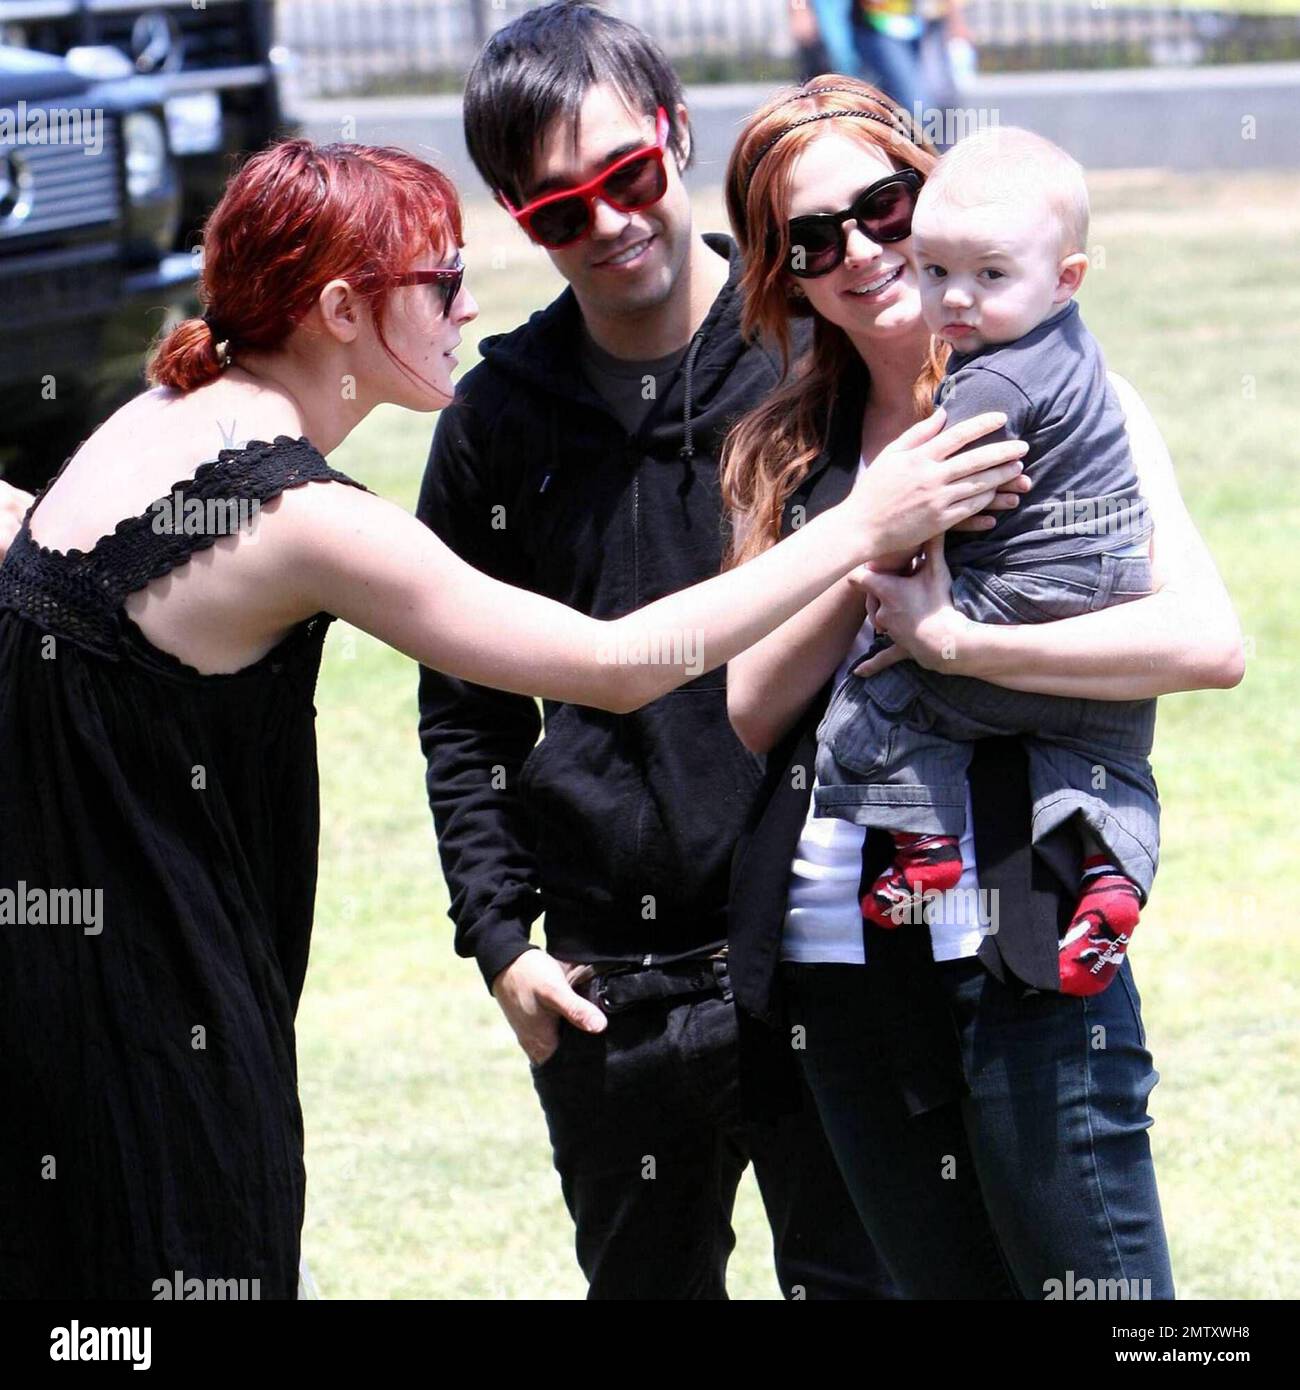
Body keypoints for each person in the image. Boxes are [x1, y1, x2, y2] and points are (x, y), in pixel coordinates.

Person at [0, 135, 1023, 1299]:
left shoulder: (145, 428)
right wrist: (860, 526)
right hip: (155, 1023)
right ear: (340, 306)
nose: (469, 303)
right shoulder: (301, 513)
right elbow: (617, 661)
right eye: (437, 281)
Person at [414, 2, 1018, 1301]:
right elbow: (463, 715)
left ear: (678, 135)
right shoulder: (493, 424)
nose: (613, 222)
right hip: (606, 979)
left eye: (630, 176)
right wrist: (500, 944)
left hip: (813, 939)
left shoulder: (810, 348)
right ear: (517, 220)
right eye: (559, 210)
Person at [721, 78, 1244, 1299]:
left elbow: (1205, 643)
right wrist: (873, 527)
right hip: (837, 935)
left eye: (881, 206)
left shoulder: (1078, 406)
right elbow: (747, 708)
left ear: (932, 195)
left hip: (1033, 874)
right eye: (809, 239)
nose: (858, 249)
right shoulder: (783, 450)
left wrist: (958, 641)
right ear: (784, 275)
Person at [814, 126, 1162, 1000]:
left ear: (1066, 276)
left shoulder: (986, 383)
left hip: (1028, 587)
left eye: (989, 276)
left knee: (881, 698)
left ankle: (925, 853)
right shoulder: (1078, 348)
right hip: (1111, 584)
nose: (955, 300)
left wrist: (898, 571)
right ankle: (1112, 883)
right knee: (1099, 742)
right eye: (935, 272)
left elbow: (932, 504)